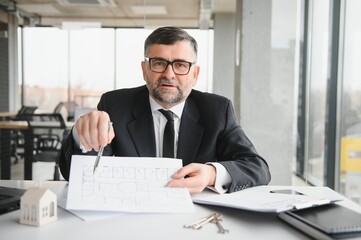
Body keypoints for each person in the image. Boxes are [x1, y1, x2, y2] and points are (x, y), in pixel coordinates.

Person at [59, 26, 271, 194]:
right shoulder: (115, 105)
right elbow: (76, 175)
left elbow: (257, 168)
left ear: (195, 74)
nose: (169, 74)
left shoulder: (217, 110)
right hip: (133, 217)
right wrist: (80, 137)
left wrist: (212, 174)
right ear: (144, 70)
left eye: (180, 65)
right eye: (159, 63)